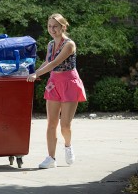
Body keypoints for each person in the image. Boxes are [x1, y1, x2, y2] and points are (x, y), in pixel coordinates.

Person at [27, 13, 87, 169]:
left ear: (63, 27)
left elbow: (54, 63)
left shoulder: (69, 44)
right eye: (49, 26)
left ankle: (68, 146)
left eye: (55, 26)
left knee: (65, 125)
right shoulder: (50, 44)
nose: (52, 29)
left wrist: (36, 74)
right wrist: (33, 73)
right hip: (54, 82)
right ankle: (51, 158)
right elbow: (47, 61)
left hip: (69, 83)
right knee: (51, 124)